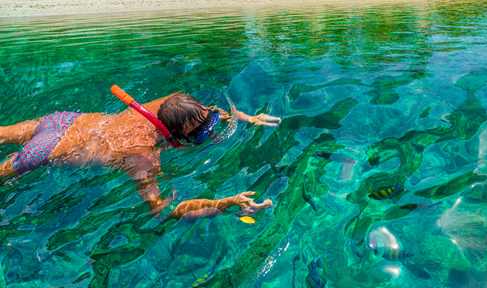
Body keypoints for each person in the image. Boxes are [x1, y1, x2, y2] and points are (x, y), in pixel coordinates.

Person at [0, 91, 281, 221]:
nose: (209, 133)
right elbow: (162, 210)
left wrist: (246, 118)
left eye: (208, 125)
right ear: (174, 134)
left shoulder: (171, 105)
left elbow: (210, 111)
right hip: (48, 151)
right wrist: (226, 203)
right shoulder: (143, 156)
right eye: (199, 136)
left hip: (65, 120)